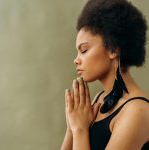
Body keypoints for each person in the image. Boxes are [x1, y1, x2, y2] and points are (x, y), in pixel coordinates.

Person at [61, 0, 149, 149]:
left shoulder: (137, 112)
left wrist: (80, 130)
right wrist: (72, 126)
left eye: (84, 50)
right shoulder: (99, 99)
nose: (76, 60)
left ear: (113, 49)